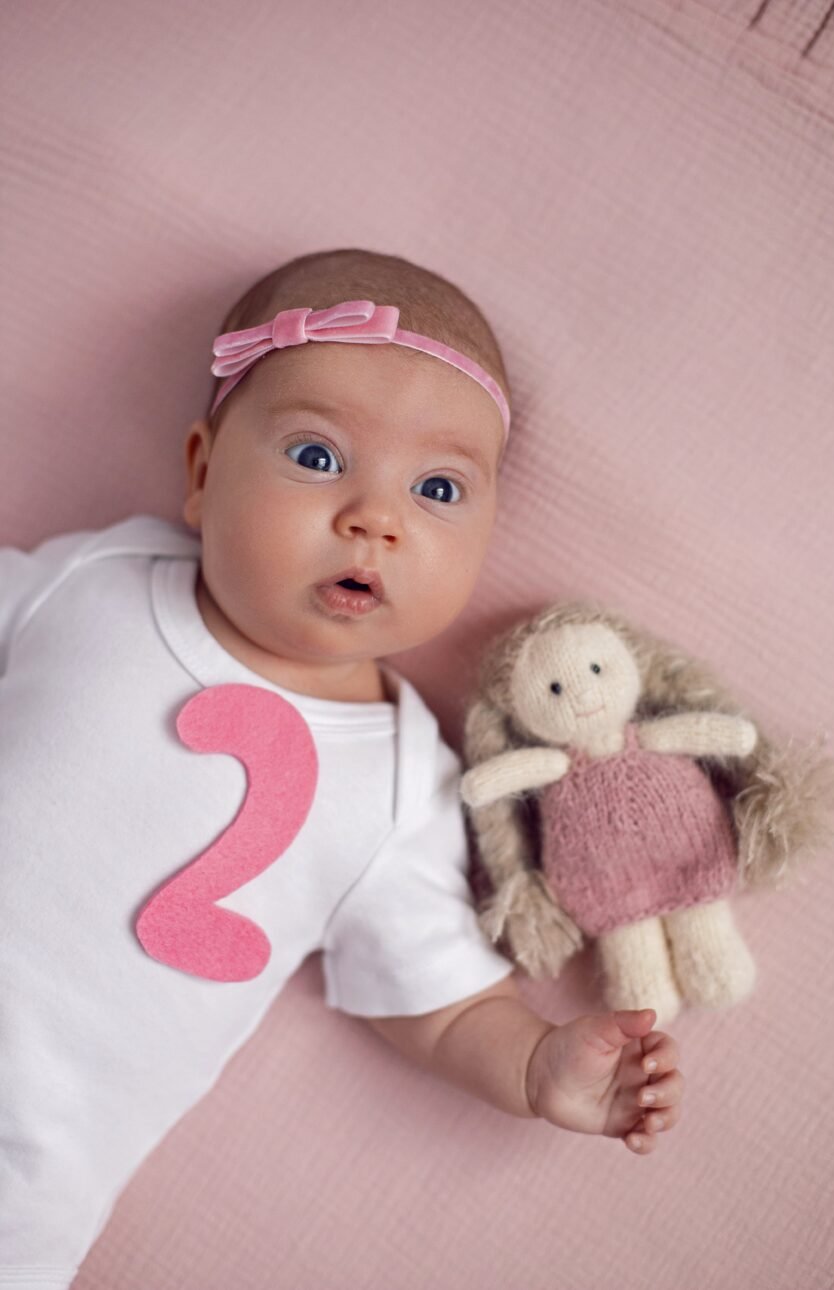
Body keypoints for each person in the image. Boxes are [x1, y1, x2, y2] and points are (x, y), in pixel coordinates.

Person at [0, 248, 683, 1287]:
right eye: (317, 458)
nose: (376, 516)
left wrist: (540, 1066)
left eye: (438, 487)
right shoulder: (98, 579)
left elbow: (445, 1005)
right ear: (200, 472)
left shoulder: (403, 781)